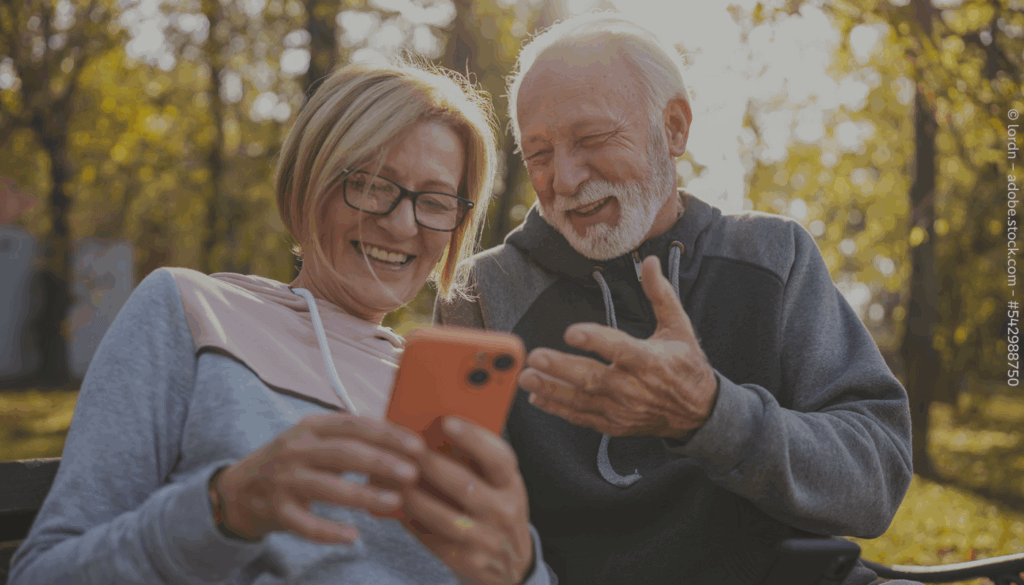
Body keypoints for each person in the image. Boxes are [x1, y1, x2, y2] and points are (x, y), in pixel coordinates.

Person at [9, 60, 556, 585]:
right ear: (305, 183)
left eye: (435, 201)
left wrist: (521, 571)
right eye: (370, 184)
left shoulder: (449, 388)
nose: (401, 223)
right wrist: (223, 508)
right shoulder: (193, 311)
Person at [434, 12, 918, 585]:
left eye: (591, 139)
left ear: (674, 128)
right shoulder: (481, 295)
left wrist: (712, 414)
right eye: (538, 153)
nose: (563, 179)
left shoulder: (773, 255)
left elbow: (876, 480)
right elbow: (458, 523)